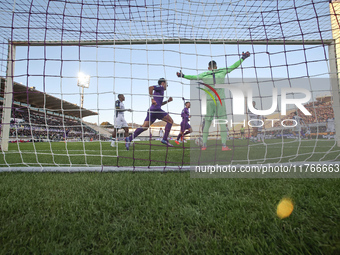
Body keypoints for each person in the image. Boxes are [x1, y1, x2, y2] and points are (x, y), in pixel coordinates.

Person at [177, 51, 250, 151]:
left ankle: (204, 145)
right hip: (220, 101)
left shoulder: (204, 74)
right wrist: (243, 58)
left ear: (208, 67)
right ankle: (224, 146)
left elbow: (193, 77)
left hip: (209, 102)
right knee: (222, 123)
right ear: (216, 67)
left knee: (207, 123)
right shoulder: (222, 71)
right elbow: (234, 66)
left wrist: (182, 75)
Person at [125, 78, 174, 150]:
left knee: (144, 127)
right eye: (166, 84)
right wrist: (152, 99)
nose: (167, 85)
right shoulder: (160, 87)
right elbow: (150, 88)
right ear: (163, 83)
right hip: (156, 109)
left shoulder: (160, 92)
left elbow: (159, 104)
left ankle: (129, 138)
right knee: (170, 121)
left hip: (151, 110)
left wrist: (168, 101)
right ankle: (165, 139)